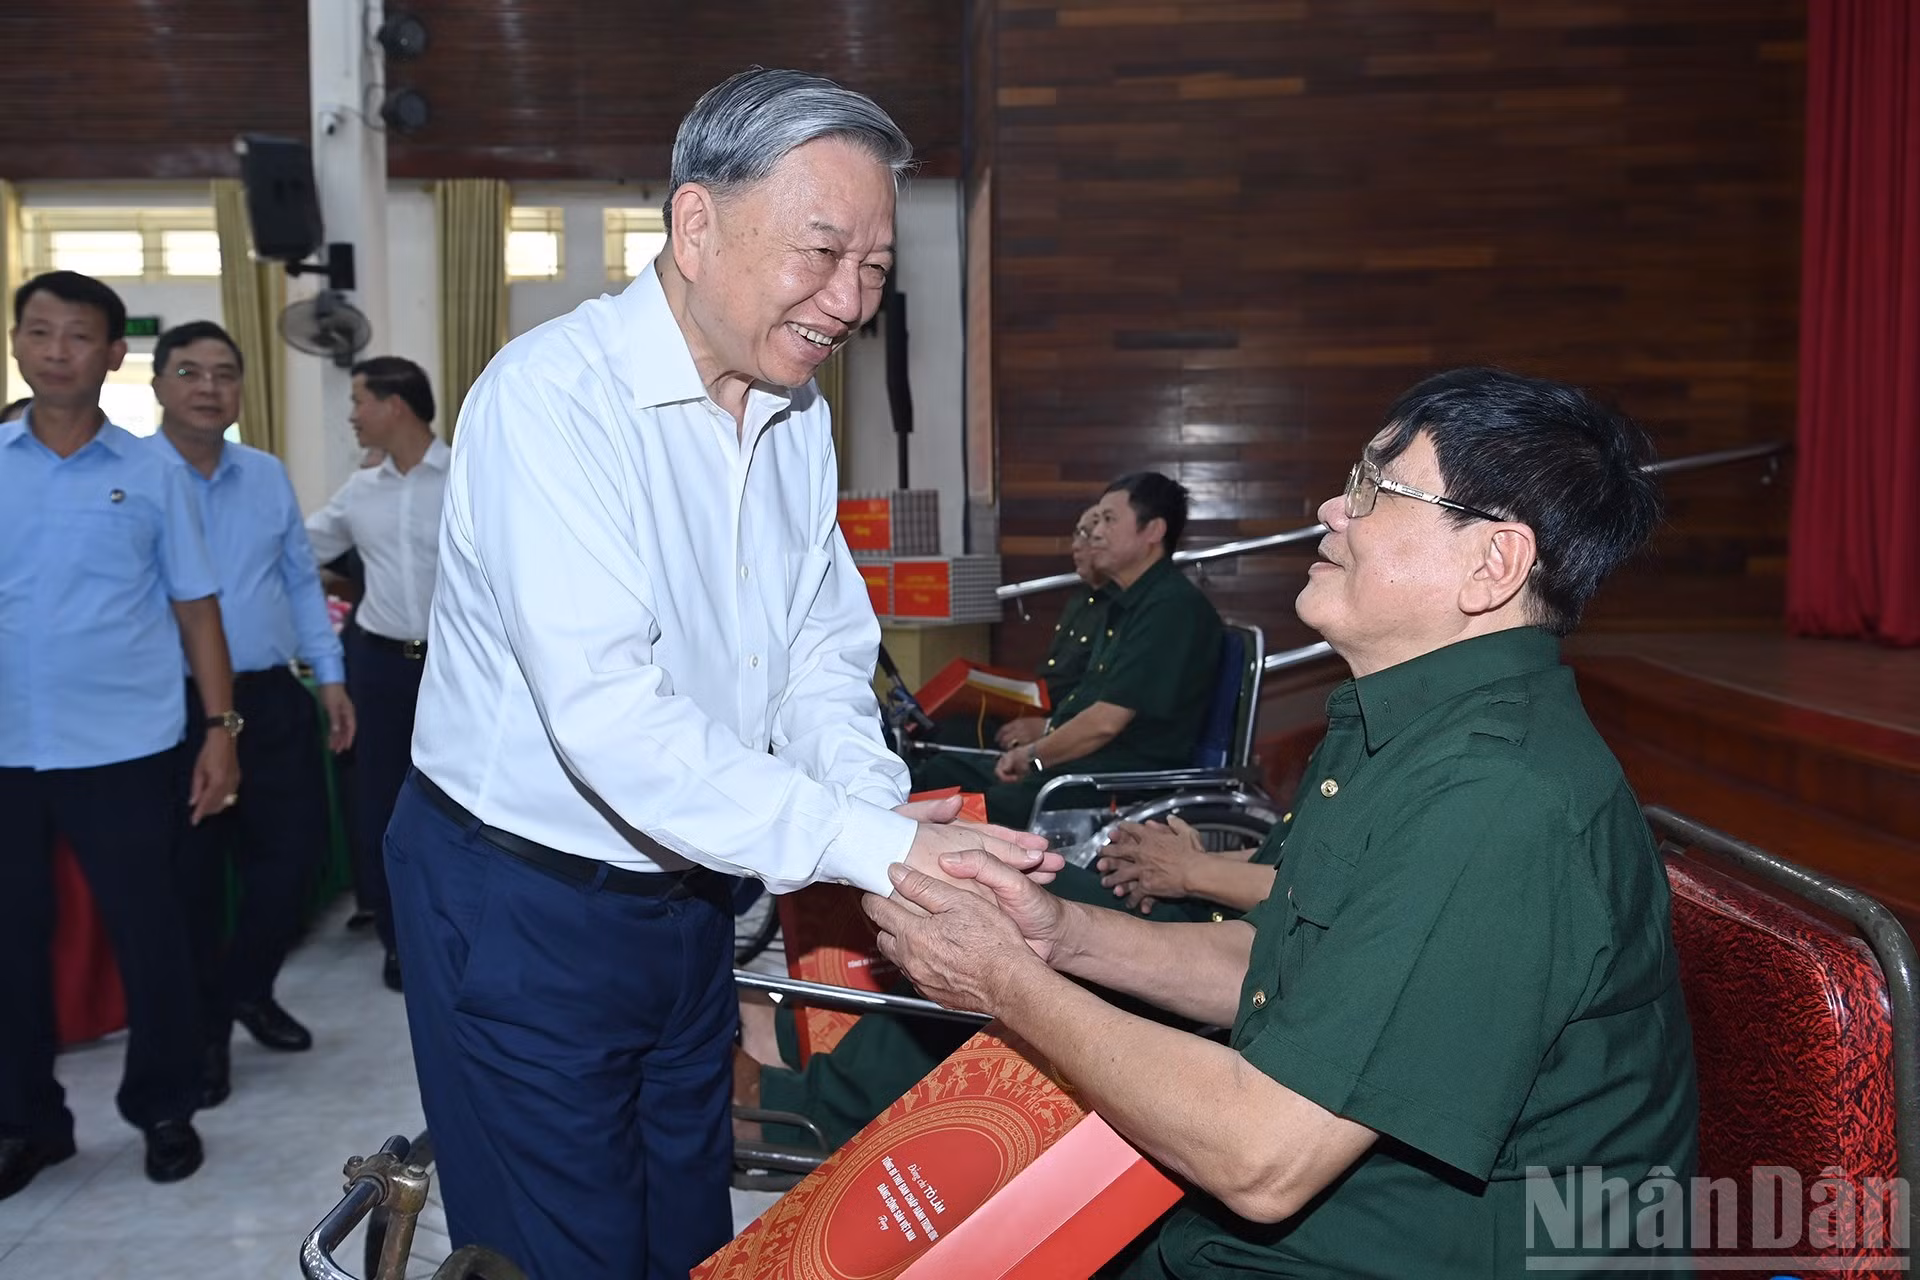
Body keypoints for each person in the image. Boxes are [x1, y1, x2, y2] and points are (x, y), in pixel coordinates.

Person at [391, 68, 1060, 1278]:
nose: (848, 300)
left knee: (686, 1223)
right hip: (521, 897)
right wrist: (879, 851)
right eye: (820, 253)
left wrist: (877, 816)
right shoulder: (555, 404)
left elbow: (818, 652)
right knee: (558, 1247)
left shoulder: (792, 411)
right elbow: (614, 721)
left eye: (872, 268)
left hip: (689, 893)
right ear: (695, 224)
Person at [868, 367, 1699, 1278]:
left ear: (1491, 564)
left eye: (1374, 491)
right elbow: (1274, 967)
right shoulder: (1404, 727)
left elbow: (1262, 1159)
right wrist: (1057, 937)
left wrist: (1005, 983)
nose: (1330, 513)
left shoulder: (1502, 797)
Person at [0, 271, 242, 1197]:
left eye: (79, 336)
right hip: (11, 753)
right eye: (40, 331)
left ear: (112, 355)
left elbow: (198, 612)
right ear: (19, 343)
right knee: (11, 944)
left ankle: (166, 1107)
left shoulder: (152, 475)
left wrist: (221, 732)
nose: (57, 349)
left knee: (154, 936)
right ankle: (28, 1122)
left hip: (129, 749)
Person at [739, 813, 1286, 1154]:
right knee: (995, 893)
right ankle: (796, 1034)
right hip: (1225, 914)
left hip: (1239, 942)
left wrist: (1193, 872)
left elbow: (1319, 910)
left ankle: (805, 1108)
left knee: (1001, 930)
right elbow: (1298, 865)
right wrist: (1201, 858)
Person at [144, 321, 357, 1106]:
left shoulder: (264, 474)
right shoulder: (133, 475)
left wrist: (328, 678)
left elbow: (302, 582)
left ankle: (243, 987)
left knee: (295, 862)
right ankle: (204, 1034)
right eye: (189, 371)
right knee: (193, 880)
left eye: (224, 374)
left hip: (271, 695)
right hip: (172, 705)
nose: (207, 387)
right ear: (160, 383)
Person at [912, 472, 1223, 827]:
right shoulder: (1125, 603)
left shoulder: (1171, 608)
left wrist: (1034, 755)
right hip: (1078, 763)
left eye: (1109, 520)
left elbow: (1105, 723)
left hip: (1114, 777)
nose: (1096, 533)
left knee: (971, 811)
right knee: (940, 772)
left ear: (1153, 531)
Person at [303, 356, 443, 992]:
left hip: (453, 671)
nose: (352, 415)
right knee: (381, 806)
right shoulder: (359, 491)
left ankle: (452, 930)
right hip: (380, 666)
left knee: (461, 808)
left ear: (396, 405)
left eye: (360, 400)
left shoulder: (467, 474)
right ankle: (396, 938)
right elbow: (297, 549)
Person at [927, 505, 1109, 752]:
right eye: (1077, 534)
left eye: (1088, 535)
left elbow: (1100, 703)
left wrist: (1048, 727)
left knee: (952, 746)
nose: (1076, 545)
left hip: (1062, 729)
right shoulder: (1081, 599)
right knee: (940, 727)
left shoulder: (1119, 609)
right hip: (1038, 709)